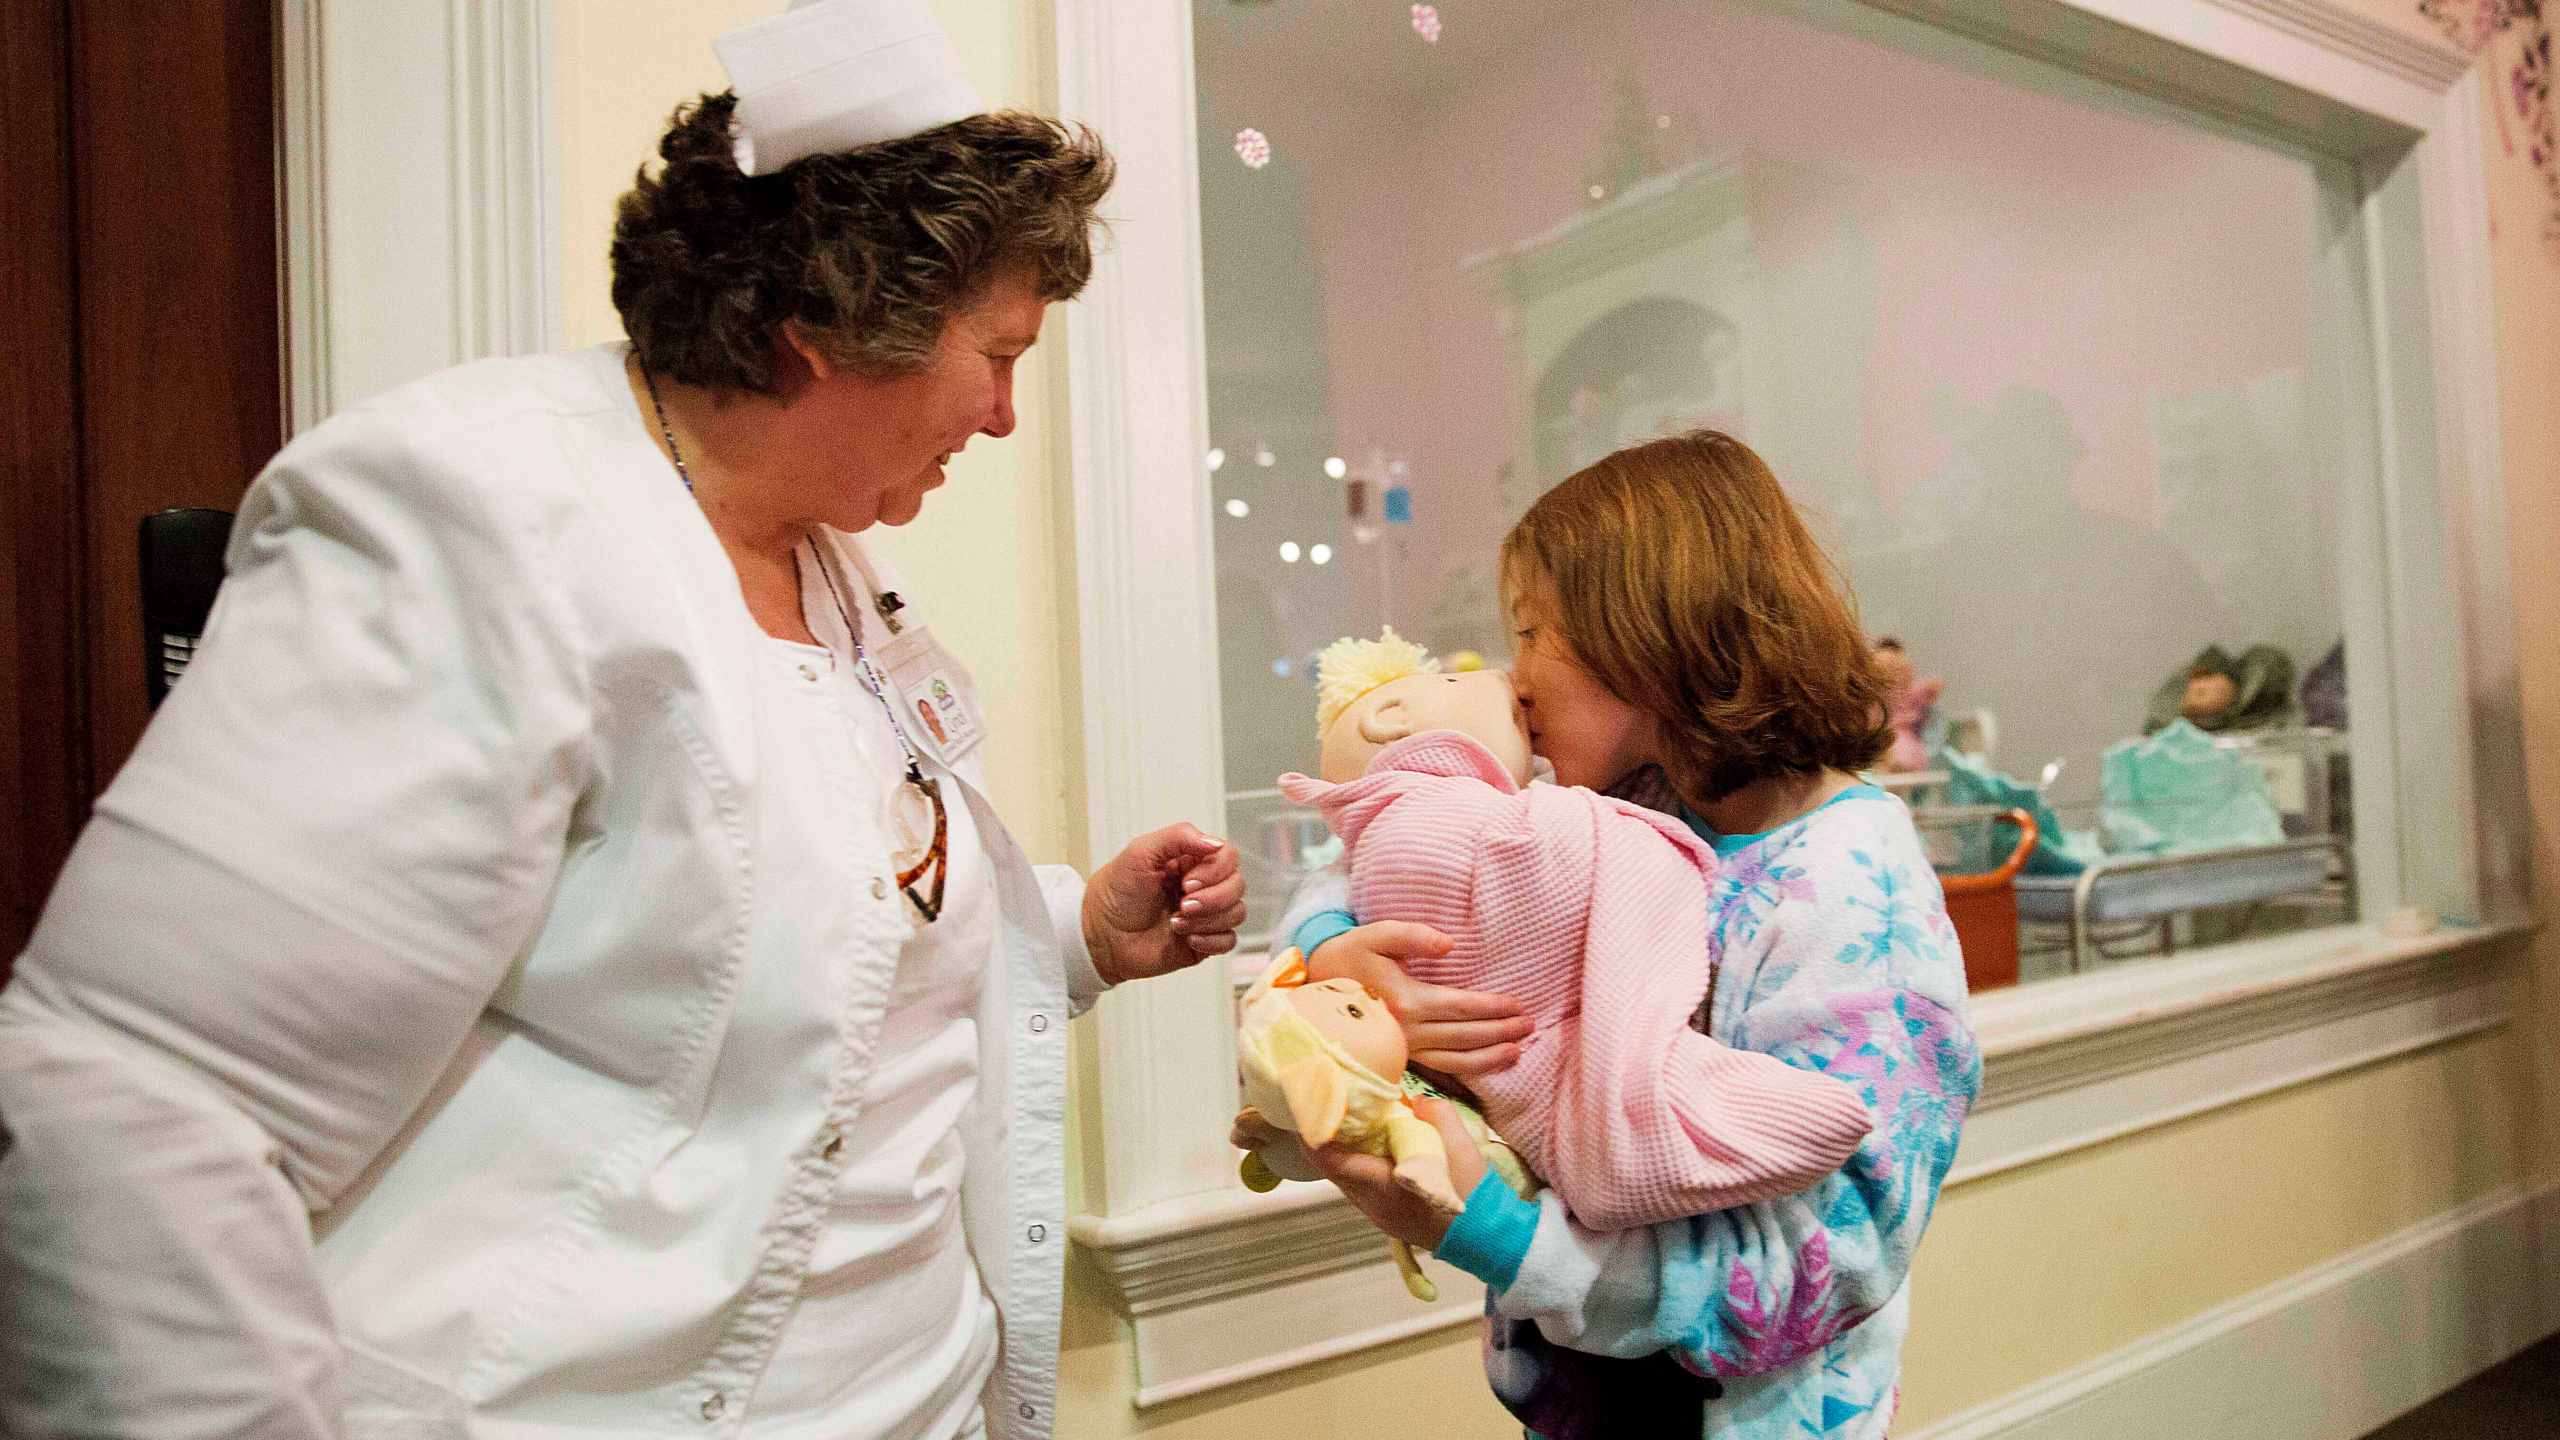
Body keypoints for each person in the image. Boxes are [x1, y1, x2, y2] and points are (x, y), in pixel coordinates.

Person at [0, 4, 1242, 1437]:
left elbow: (744, 919)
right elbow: (135, 1103)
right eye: (1002, 354)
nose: (1007, 417)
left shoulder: (831, 566)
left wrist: (1073, 932)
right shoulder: (485, 516)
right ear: (832, 330)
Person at [1281, 430, 1981, 1439]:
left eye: (1531, 632)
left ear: (1645, 640)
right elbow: (1371, 849)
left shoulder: (1853, 892)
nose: (1511, 680)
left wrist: (1500, 1236)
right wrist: (1334, 952)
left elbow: (1837, 1255)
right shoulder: (1621, 800)